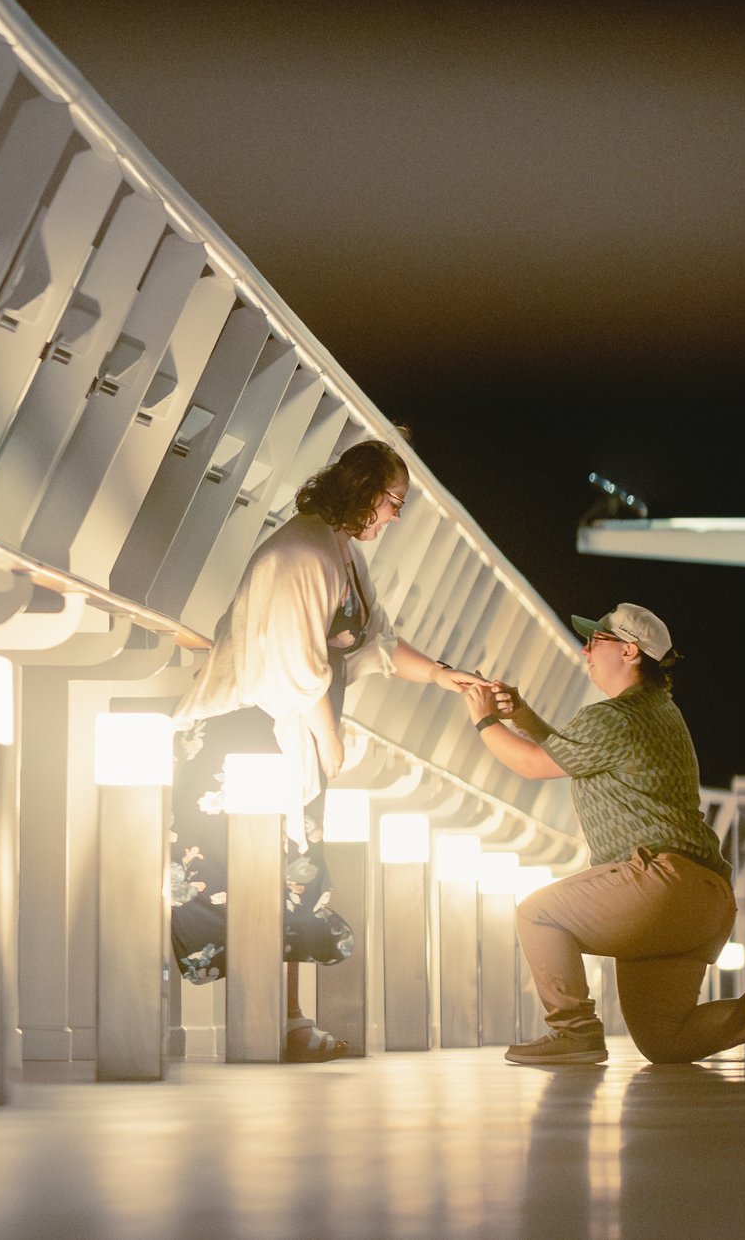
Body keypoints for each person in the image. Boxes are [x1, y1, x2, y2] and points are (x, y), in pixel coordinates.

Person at [170, 438, 486, 1058]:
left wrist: (446, 675)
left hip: (285, 736)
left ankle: (284, 1023)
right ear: (365, 494)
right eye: (394, 501)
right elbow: (297, 664)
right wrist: (331, 740)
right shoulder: (300, 554)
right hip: (248, 733)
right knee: (247, 877)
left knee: (289, 877)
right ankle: (263, 1023)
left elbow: (376, 641)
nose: (397, 515)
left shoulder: (336, 551)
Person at [463, 602, 745, 1066]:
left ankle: (573, 1029)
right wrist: (522, 714)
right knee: (665, 1039)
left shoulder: (613, 717)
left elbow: (534, 766)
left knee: (539, 914)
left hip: (661, 886)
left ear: (629, 651)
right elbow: (576, 753)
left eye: (596, 641)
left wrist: (484, 719)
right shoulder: (660, 712)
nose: (585, 651)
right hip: (702, 899)